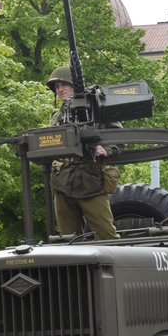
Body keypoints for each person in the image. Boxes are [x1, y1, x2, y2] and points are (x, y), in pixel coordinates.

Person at [46, 65, 119, 240]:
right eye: (57, 86)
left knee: (107, 236)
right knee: (69, 240)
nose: (60, 89)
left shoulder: (96, 109)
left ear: (75, 85)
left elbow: (120, 139)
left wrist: (106, 149)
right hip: (63, 183)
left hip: (90, 182)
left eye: (64, 84)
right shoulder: (57, 116)